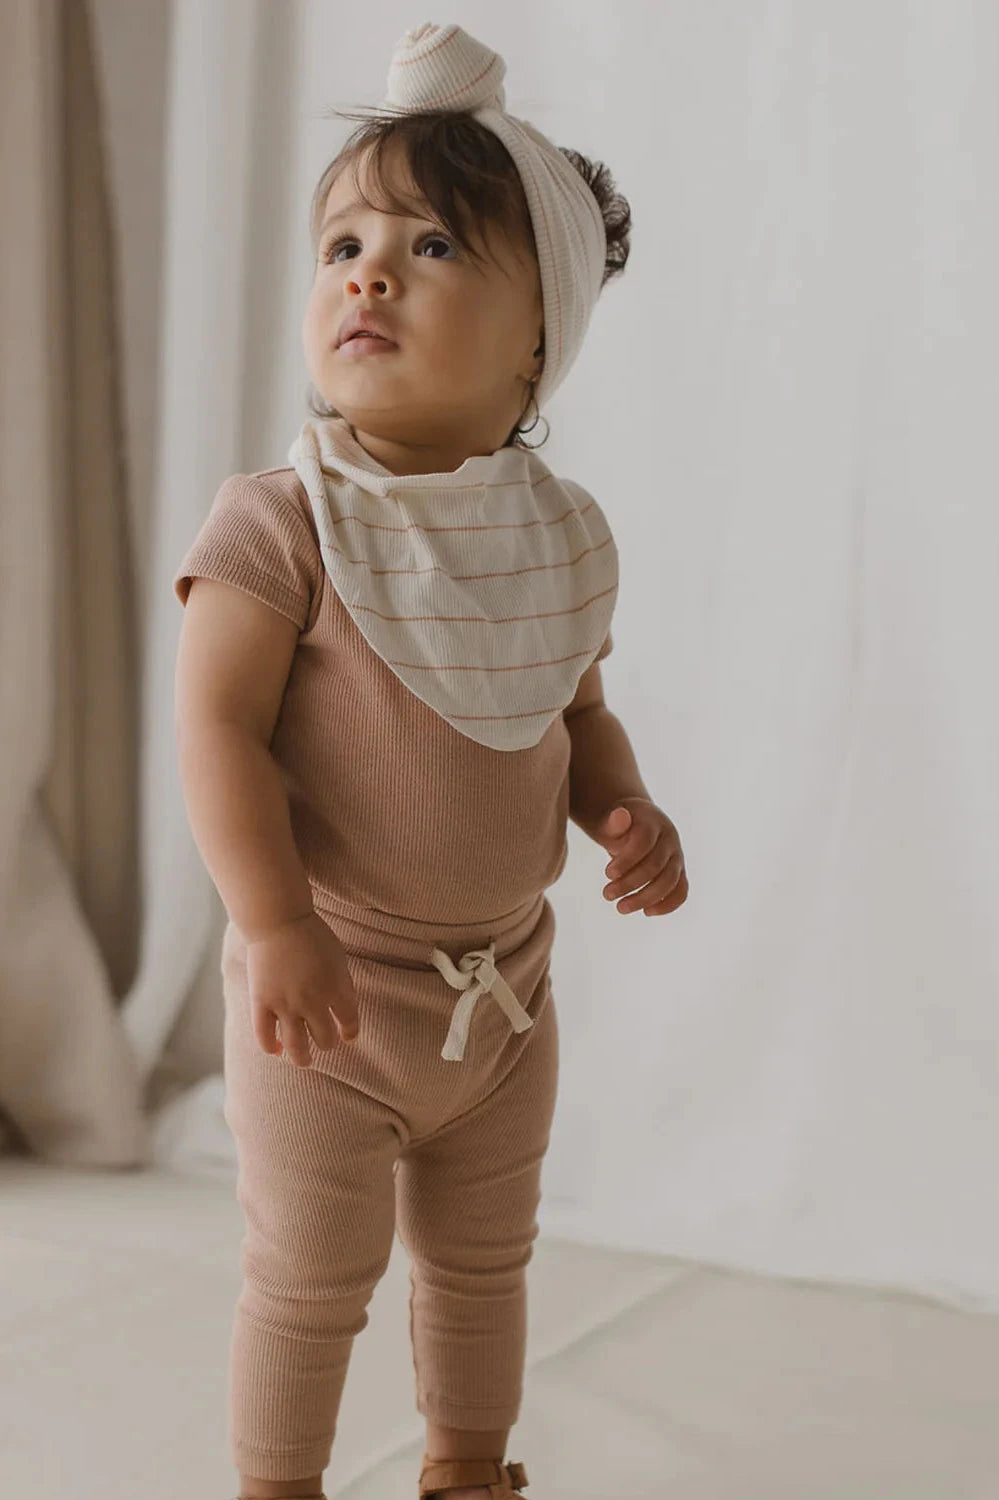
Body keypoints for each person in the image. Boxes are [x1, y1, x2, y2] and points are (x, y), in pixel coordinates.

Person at [172, 22, 688, 1500]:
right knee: (310, 1272)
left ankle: (470, 1467)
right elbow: (214, 730)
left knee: (481, 1262)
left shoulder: (556, 536)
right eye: (342, 241)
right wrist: (272, 924)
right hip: (325, 996)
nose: (367, 271)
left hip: (502, 999)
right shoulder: (282, 521)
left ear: (542, 334)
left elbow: (569, 711)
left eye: (432, 246)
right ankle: (278, 1485)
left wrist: (624, 808)